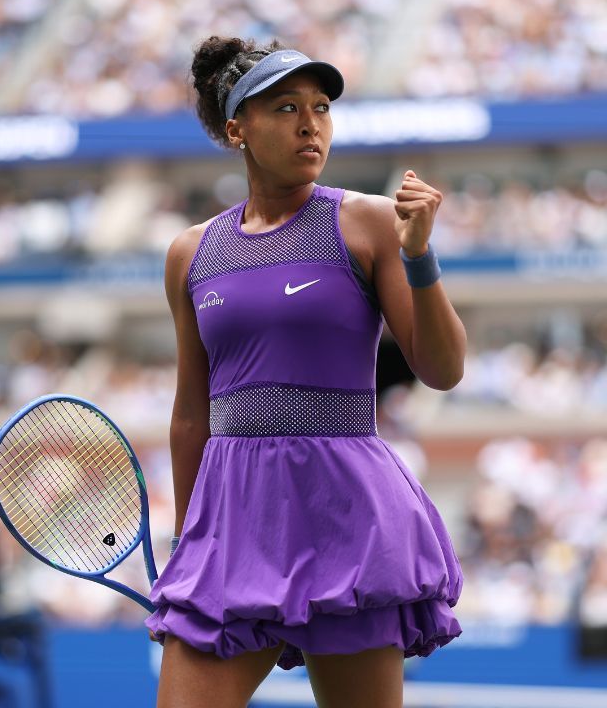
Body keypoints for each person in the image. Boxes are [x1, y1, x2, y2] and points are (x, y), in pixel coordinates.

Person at [147, 37, 467, 708]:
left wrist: (419, 256)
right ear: (237, 128)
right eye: (287, 108)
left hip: (347, 521)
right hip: (232, 525)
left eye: (321, 107)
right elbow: (190, 415)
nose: (310, 124)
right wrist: (186, 538)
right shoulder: (189, 253)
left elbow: (442, 370)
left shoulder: (370, 223)